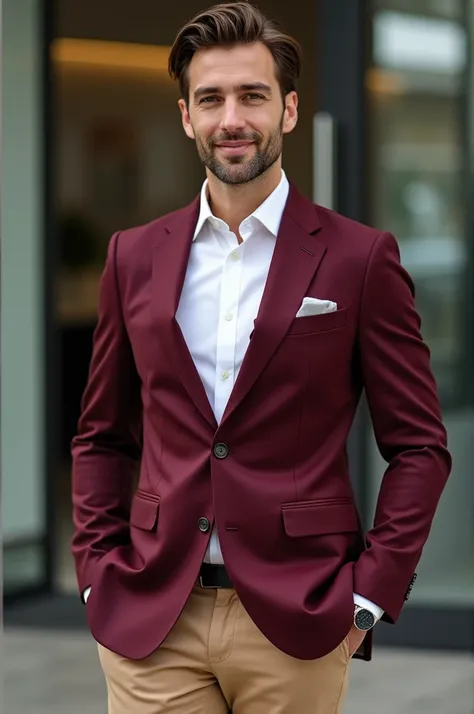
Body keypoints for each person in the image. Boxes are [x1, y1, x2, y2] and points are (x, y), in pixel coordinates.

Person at [71, 3, 451, 712]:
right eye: (211, 99)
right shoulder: (133, 256)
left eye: (252, 95)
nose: (231, 118)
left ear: (289, 109)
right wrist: (97, 570)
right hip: (153, 618)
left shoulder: (359, 259)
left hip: (296, 620)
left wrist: (369, 593)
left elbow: (419, 448)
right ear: (187, 116)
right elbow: (102, 435)